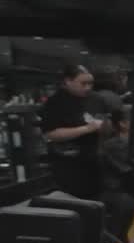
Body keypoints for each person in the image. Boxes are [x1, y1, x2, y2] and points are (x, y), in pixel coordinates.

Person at [40, 65, 104, 199]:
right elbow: (51, 134)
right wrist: (86, 129)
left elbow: (103, 120)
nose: (88, 87)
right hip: (68, 164)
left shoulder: (96, 99)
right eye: (83, 83)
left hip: (94, 162)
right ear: (68, 81)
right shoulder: (55, 102)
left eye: (90, 83)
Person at [98, 105, 134, 240]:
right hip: (116, 191)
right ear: (123, 124)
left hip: (132, 188)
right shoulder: (115, 145)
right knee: (127, 204)